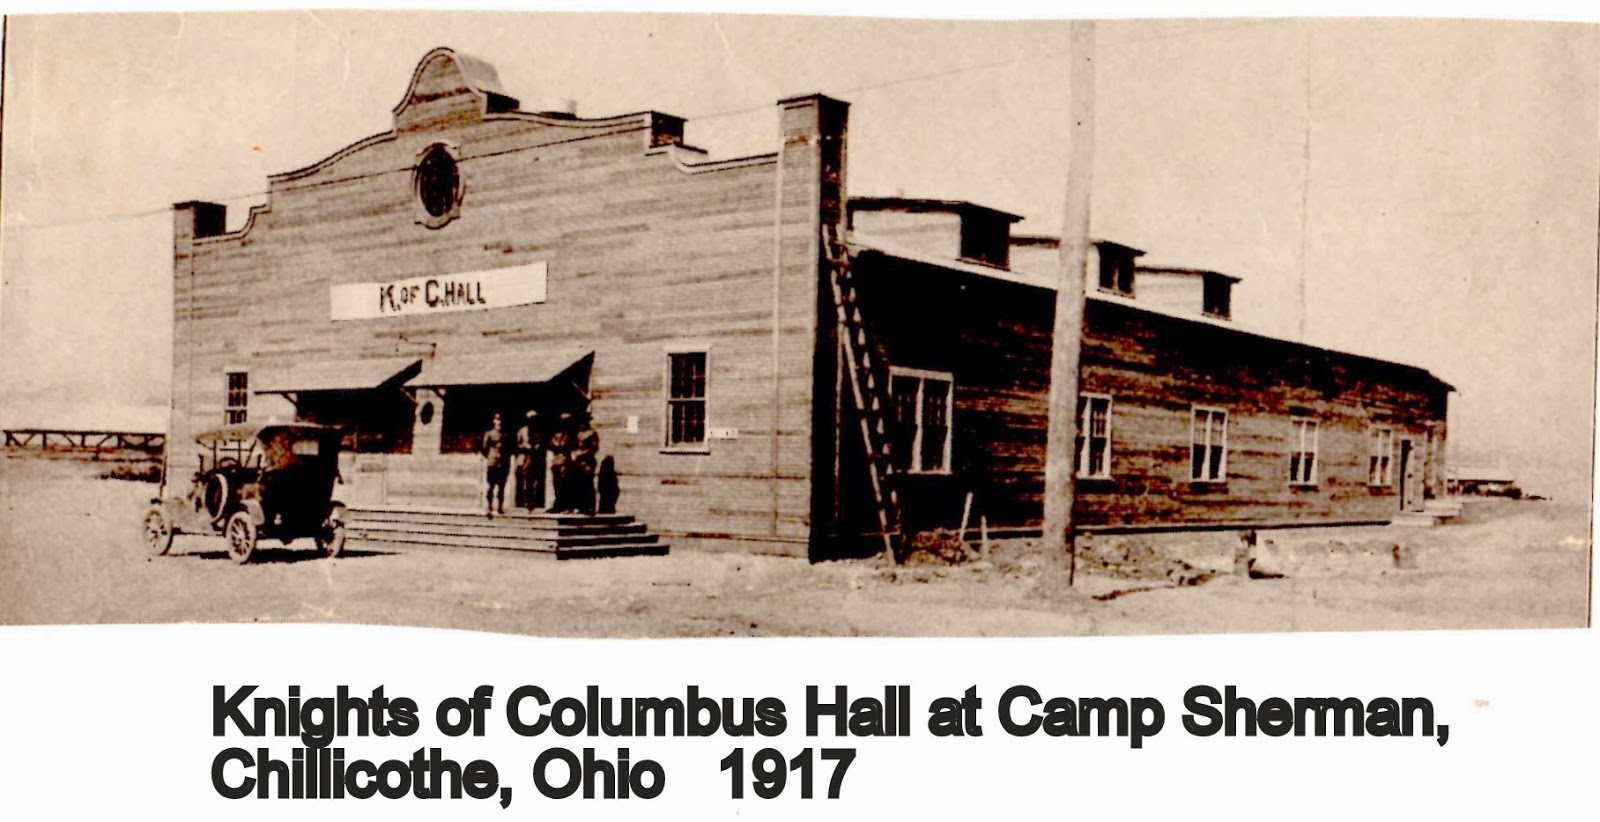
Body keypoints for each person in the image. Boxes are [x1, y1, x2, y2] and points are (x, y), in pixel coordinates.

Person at [514, 409, 545, 511]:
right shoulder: (522, 431)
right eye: (530, 419)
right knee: (525, 480)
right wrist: (524, 446)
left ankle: (534, 501)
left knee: (536, 479)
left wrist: (536, 447)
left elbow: (540, 443)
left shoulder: (538, 432)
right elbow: (517, 445)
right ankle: (525, 501)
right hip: (524, 457)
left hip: (535, 458)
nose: (532, 421)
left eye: (534, 419)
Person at [545, 411, 575, 513]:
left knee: (566, 484)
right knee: (557, 484)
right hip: (556, 461)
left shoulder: (572, 435)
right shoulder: (556, 435)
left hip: (567, 461)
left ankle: (567, 506)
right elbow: (551, 445)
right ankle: (558, 504)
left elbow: (570, 447)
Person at [480, 412, 509, 517]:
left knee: (502, 486)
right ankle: (489, 507)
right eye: (497, 419)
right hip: (492, 463)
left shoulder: (505, 435)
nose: (499, 422)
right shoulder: (489, 434)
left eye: (500, 420)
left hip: (503, 463)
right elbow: (484, 448)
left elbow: (508, 449)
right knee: (491, 486)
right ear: (494, 421)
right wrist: (491, 457)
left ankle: (500, 507)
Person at [571, 411, 600, 515]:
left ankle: (589, 507)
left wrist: (582, 453)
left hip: (588, 461)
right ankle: (580, 506)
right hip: (578, 463)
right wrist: (574, 454)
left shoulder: (592, 433)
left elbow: (594, 448)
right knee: (578, 484)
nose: (581, 423)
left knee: (587, 484)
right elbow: (574, 446)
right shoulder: (578, 433)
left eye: (583, 421)